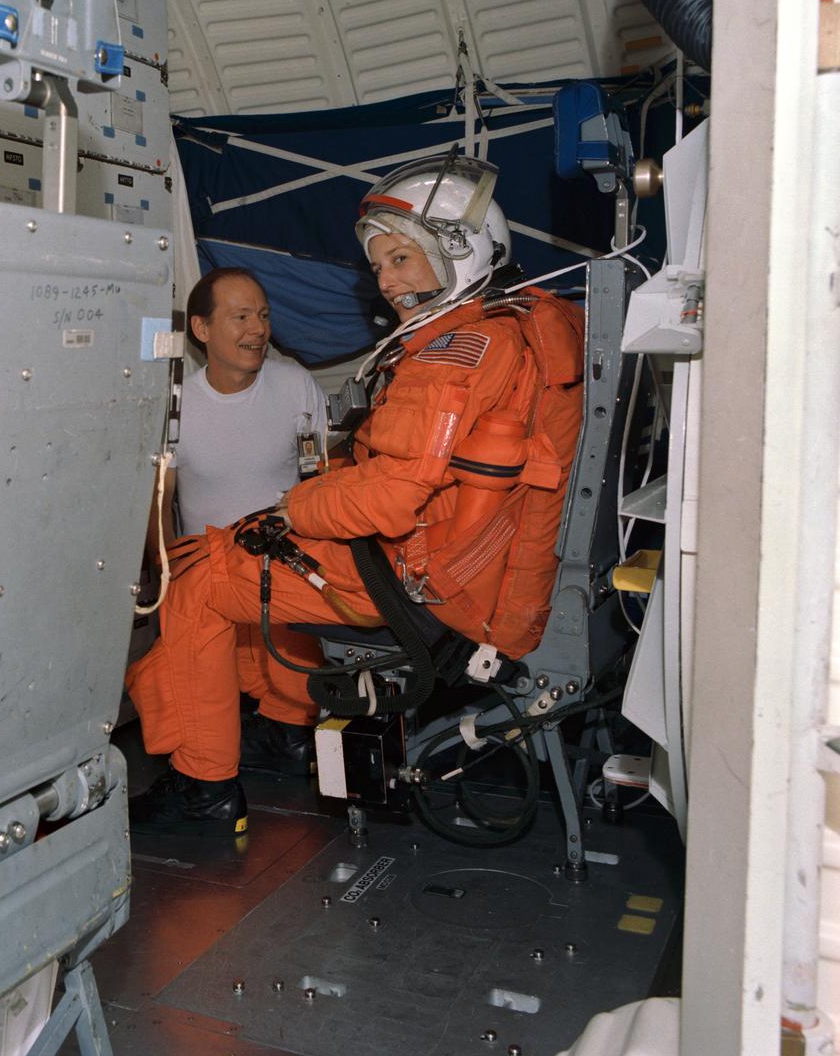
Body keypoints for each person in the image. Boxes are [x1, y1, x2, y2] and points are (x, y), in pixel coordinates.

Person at [126, 152, 585, 836]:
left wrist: (292, 509)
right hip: (470, 564)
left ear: (458, 251)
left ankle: (205, 784)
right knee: (232, 551)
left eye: (402, 259)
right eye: (379, 266)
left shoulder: (455, 354)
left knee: (196, 579)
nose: (387, 281)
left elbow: (392, 499)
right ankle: (283, 732)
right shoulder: (525, 322)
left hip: (420, 580)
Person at [153, 268, 330, 777]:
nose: (258, 328)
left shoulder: (295, 384)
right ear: (202, 329)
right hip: (205, 579)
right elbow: (160, 500)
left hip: (283, 570)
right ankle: (216, 761)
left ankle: (288, 733)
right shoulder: (175, 404)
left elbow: (319, 476)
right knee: (198, 692)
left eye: (264, 315)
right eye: (241, 316)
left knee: (288, 675)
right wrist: (162, 577)